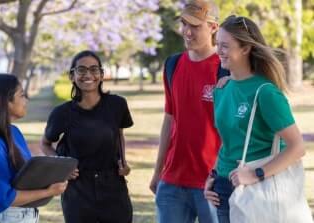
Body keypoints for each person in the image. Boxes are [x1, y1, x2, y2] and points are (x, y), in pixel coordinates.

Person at [204, 15, 306, 223]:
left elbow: (297, 147)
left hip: (256, 189)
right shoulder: (222, 89)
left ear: (245, 48)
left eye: (225, 46)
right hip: (222, 188)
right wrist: (213, 175)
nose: (218, 51)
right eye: (217, 45)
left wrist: (255, 174)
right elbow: (230, 142)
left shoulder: (265, 92)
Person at [149, 0, 223, 222]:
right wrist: (158, 171)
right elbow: (169, 121)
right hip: (172, 182)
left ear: (213, 28)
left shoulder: (225, 68)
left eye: (195, 26)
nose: (187, 32)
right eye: (184, 24)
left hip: (213, 183)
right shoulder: (172, 65)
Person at [41, 50, 133, 223]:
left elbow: (119, 133)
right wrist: (62, 166)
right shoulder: (62, 113)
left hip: (113, 186)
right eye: (81, 70)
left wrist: (124, 162)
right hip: (78, 191)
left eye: (94, 69)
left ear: (101, 74)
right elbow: (45, 144)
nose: (88, 75)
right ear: (72, 75)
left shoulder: (117, 105)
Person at [0, 73, 67, 223]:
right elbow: (4, 199)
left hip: (24, 216)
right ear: (5, 101)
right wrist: (48, 192)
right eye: (21, 95)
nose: (26, 100)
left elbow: (24, 178)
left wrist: (58, 174)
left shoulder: (14, 132)